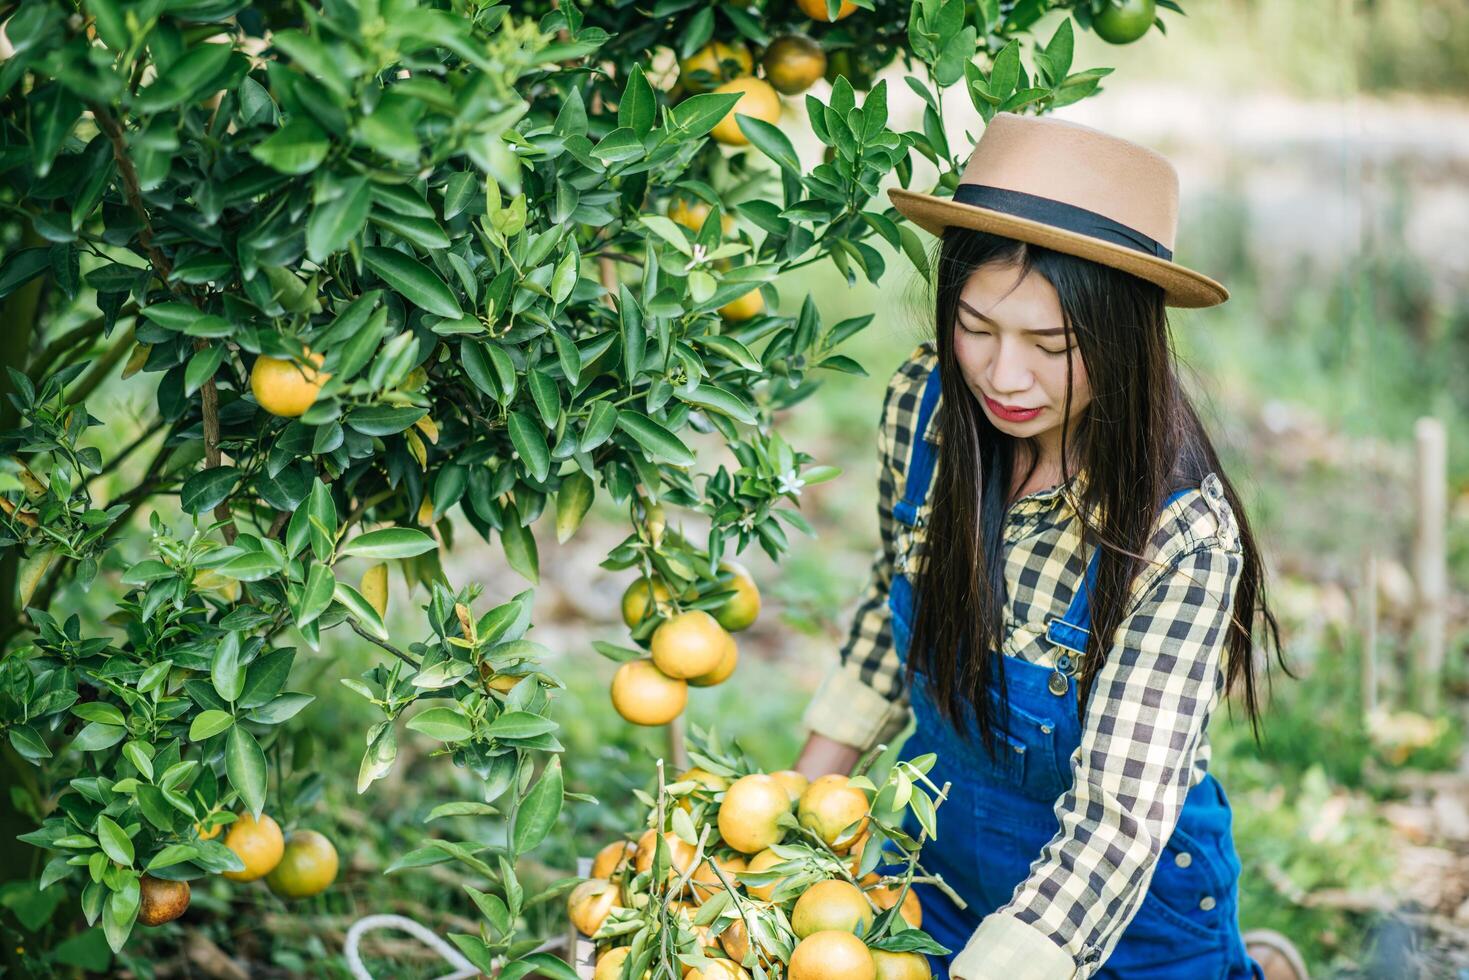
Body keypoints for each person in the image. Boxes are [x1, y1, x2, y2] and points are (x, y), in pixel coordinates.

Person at [792, 113, 1309, 980]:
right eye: (976, 327)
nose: (1002, 377)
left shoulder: (1178, 536)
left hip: (1125, 902)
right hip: (940, 865)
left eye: (1051, 345)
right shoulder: (924, 412)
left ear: (1123, 340)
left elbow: (1118, 821)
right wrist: (792, 815)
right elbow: (896, 618)